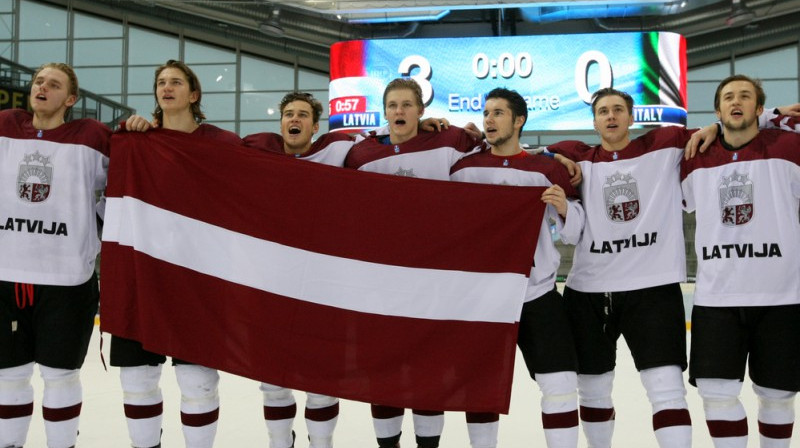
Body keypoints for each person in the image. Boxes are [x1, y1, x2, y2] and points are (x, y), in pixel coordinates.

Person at [243, 91, 461, 448]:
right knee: (273, 378)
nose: (294, 120)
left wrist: (419, 125)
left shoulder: (342, 148)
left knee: (322, 379)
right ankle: (279, 442)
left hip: (323, 285)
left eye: (302, 114)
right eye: (288, 114)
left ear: (316, 126)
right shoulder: (257, 149)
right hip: (275, 284)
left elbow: (389, 135)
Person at [545, 88, 725, 448]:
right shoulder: (576, 157)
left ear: (631, 117)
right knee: (593, 390)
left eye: (617, 110)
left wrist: (717, 125)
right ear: (593, 121)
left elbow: (733, 130)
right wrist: (555, 159)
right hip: (587, 292)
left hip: (653, 290)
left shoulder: (667, 144)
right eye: (602, 112)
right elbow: (517, 155)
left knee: (666, 389)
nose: (610, 117)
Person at [110, 59, 243, 448]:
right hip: (142, 274)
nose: (167, 88)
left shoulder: (223, 144)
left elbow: (268, 167)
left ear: (194, 94)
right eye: (161, 83)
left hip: (198, 278)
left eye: (176, 82)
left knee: (198, 381)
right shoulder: (137, 141)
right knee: (137, 380)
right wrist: (128, 130)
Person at [345, 78, 483, 448]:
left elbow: (496, 149)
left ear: (422, 111)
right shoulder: (361, 156)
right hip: (381, 283)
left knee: (428, 369)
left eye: (407, 105)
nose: (399, 112)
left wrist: (555, 157)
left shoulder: (448, 141)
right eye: (393, 105)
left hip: (431, 282)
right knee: (384, 370)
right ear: (384, 111)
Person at [449, 88, 583, 448]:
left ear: (519, 120)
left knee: (560, 385)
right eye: (486, 113)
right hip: (483, 299)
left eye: (498, 113)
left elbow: (575, 233)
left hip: (537, 293)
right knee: (480, 389)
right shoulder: (464, 170)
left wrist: (567, 209)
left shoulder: (546, 168)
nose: (489, 120)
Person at [681, 75, 800, 448]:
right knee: (717, 394)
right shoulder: (694, 158)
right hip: (717, 300)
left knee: (778, 395)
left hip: (782, 297)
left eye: (746, 97)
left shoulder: (790, 147)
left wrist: (775, 118)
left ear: (759, 108)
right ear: (717, 111)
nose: (737, 102)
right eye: (728, 97)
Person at [0, 62, 110, 448]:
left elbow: (129, 184)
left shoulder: (94, 136)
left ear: (72, 98)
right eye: (38, 81)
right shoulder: (4, 125)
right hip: (6, 274)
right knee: (7, 375)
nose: (41, 87)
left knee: (60, 376)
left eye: (53, 84)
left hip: (67, 279)